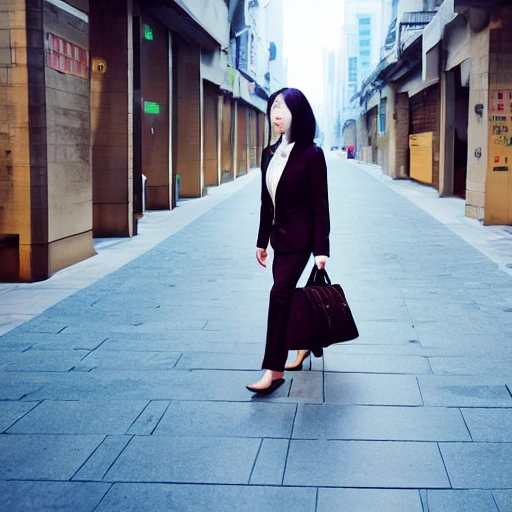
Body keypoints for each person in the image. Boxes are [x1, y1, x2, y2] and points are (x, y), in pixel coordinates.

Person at [246, 87, 330, 393]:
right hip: (280, 238)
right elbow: (266, 202)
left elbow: (321, 204)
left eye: (282, 107)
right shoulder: (269, 154)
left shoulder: (312, 154)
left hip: (302, 239)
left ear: (298, 112)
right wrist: (261, 240)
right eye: (272, 108)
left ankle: (273, 370)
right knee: (289, 294)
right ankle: (304, 342)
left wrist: (321, 249)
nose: (275, 114)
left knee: (278, 295)